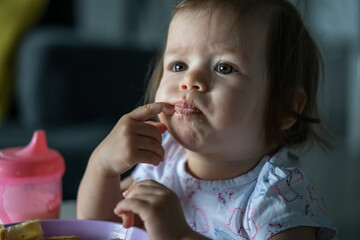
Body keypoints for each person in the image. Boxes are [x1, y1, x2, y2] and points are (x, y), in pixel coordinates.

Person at [77, 0, 337, 239]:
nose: (190, 81)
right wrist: (102, 167)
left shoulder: (279, 200)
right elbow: (100, 228)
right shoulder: (162, 157)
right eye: (179, 66)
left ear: (285, 109)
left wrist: (182, 236)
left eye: (224, 68)